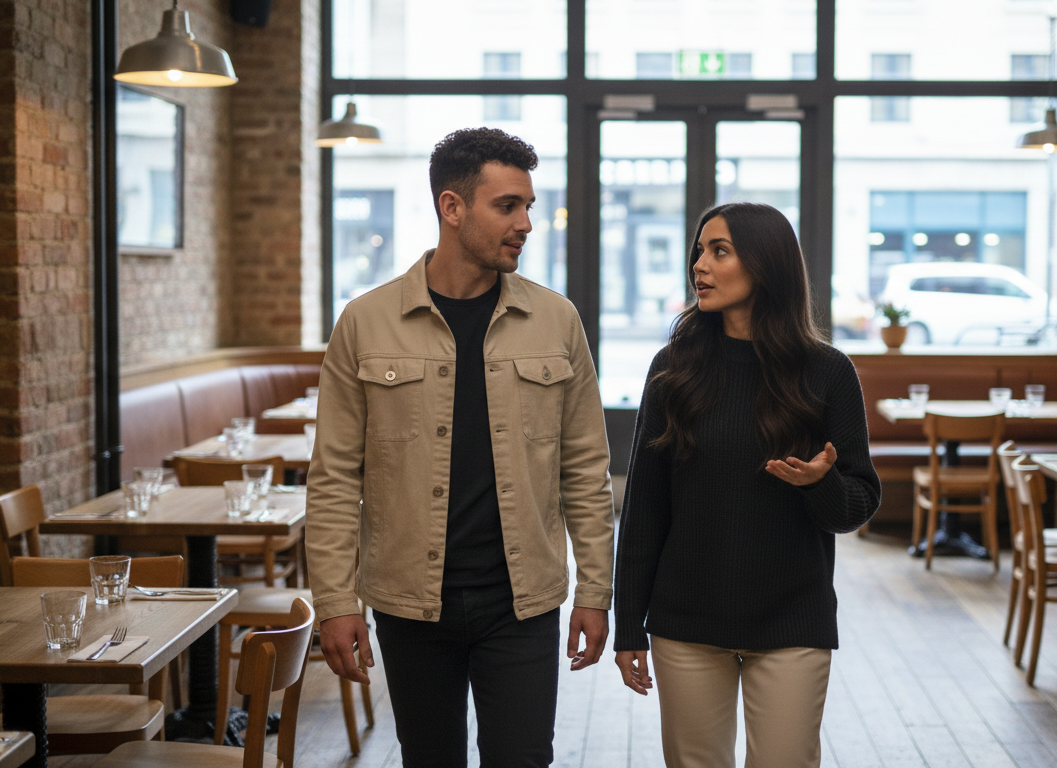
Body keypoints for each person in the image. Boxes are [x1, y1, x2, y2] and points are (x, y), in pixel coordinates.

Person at [307, 127, 615, 767]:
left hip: (522, 602)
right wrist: (335, 602)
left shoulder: (557, 321)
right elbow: (334, 477)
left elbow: (586, 470)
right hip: (409, 602)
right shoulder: (365, 322)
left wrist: (595, 589)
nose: (526, 223)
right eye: (507, 206)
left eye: (528, 205)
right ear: (452, 207)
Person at [613, 202, 881, 768]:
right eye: (699, 251)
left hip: (792, 621)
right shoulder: (672, 369)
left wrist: (819, 484)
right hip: (685, 622)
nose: (699, 265)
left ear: (765, 264)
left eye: (720, 251)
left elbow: (856, 505)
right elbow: (644, 510)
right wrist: (629, 625)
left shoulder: (828, 372)